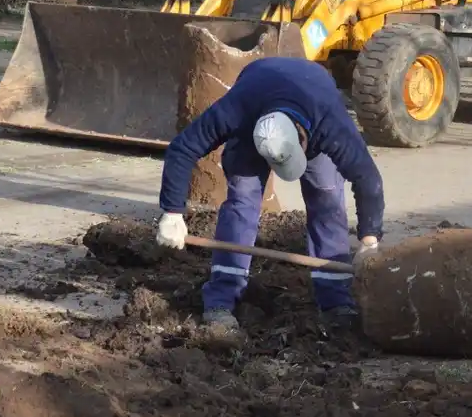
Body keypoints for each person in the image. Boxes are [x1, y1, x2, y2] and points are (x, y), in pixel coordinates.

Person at [154, 56, 385, 332]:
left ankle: (336, 301)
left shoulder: (330, 122)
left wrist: (369, 241)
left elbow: (368, 179)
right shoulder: (238, 110)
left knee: (327, 199)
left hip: (312, 95)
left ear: (303, 138)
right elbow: (183, 148)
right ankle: (221, 301)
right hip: (257, 103)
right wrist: (172, 212)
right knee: (242, 201)